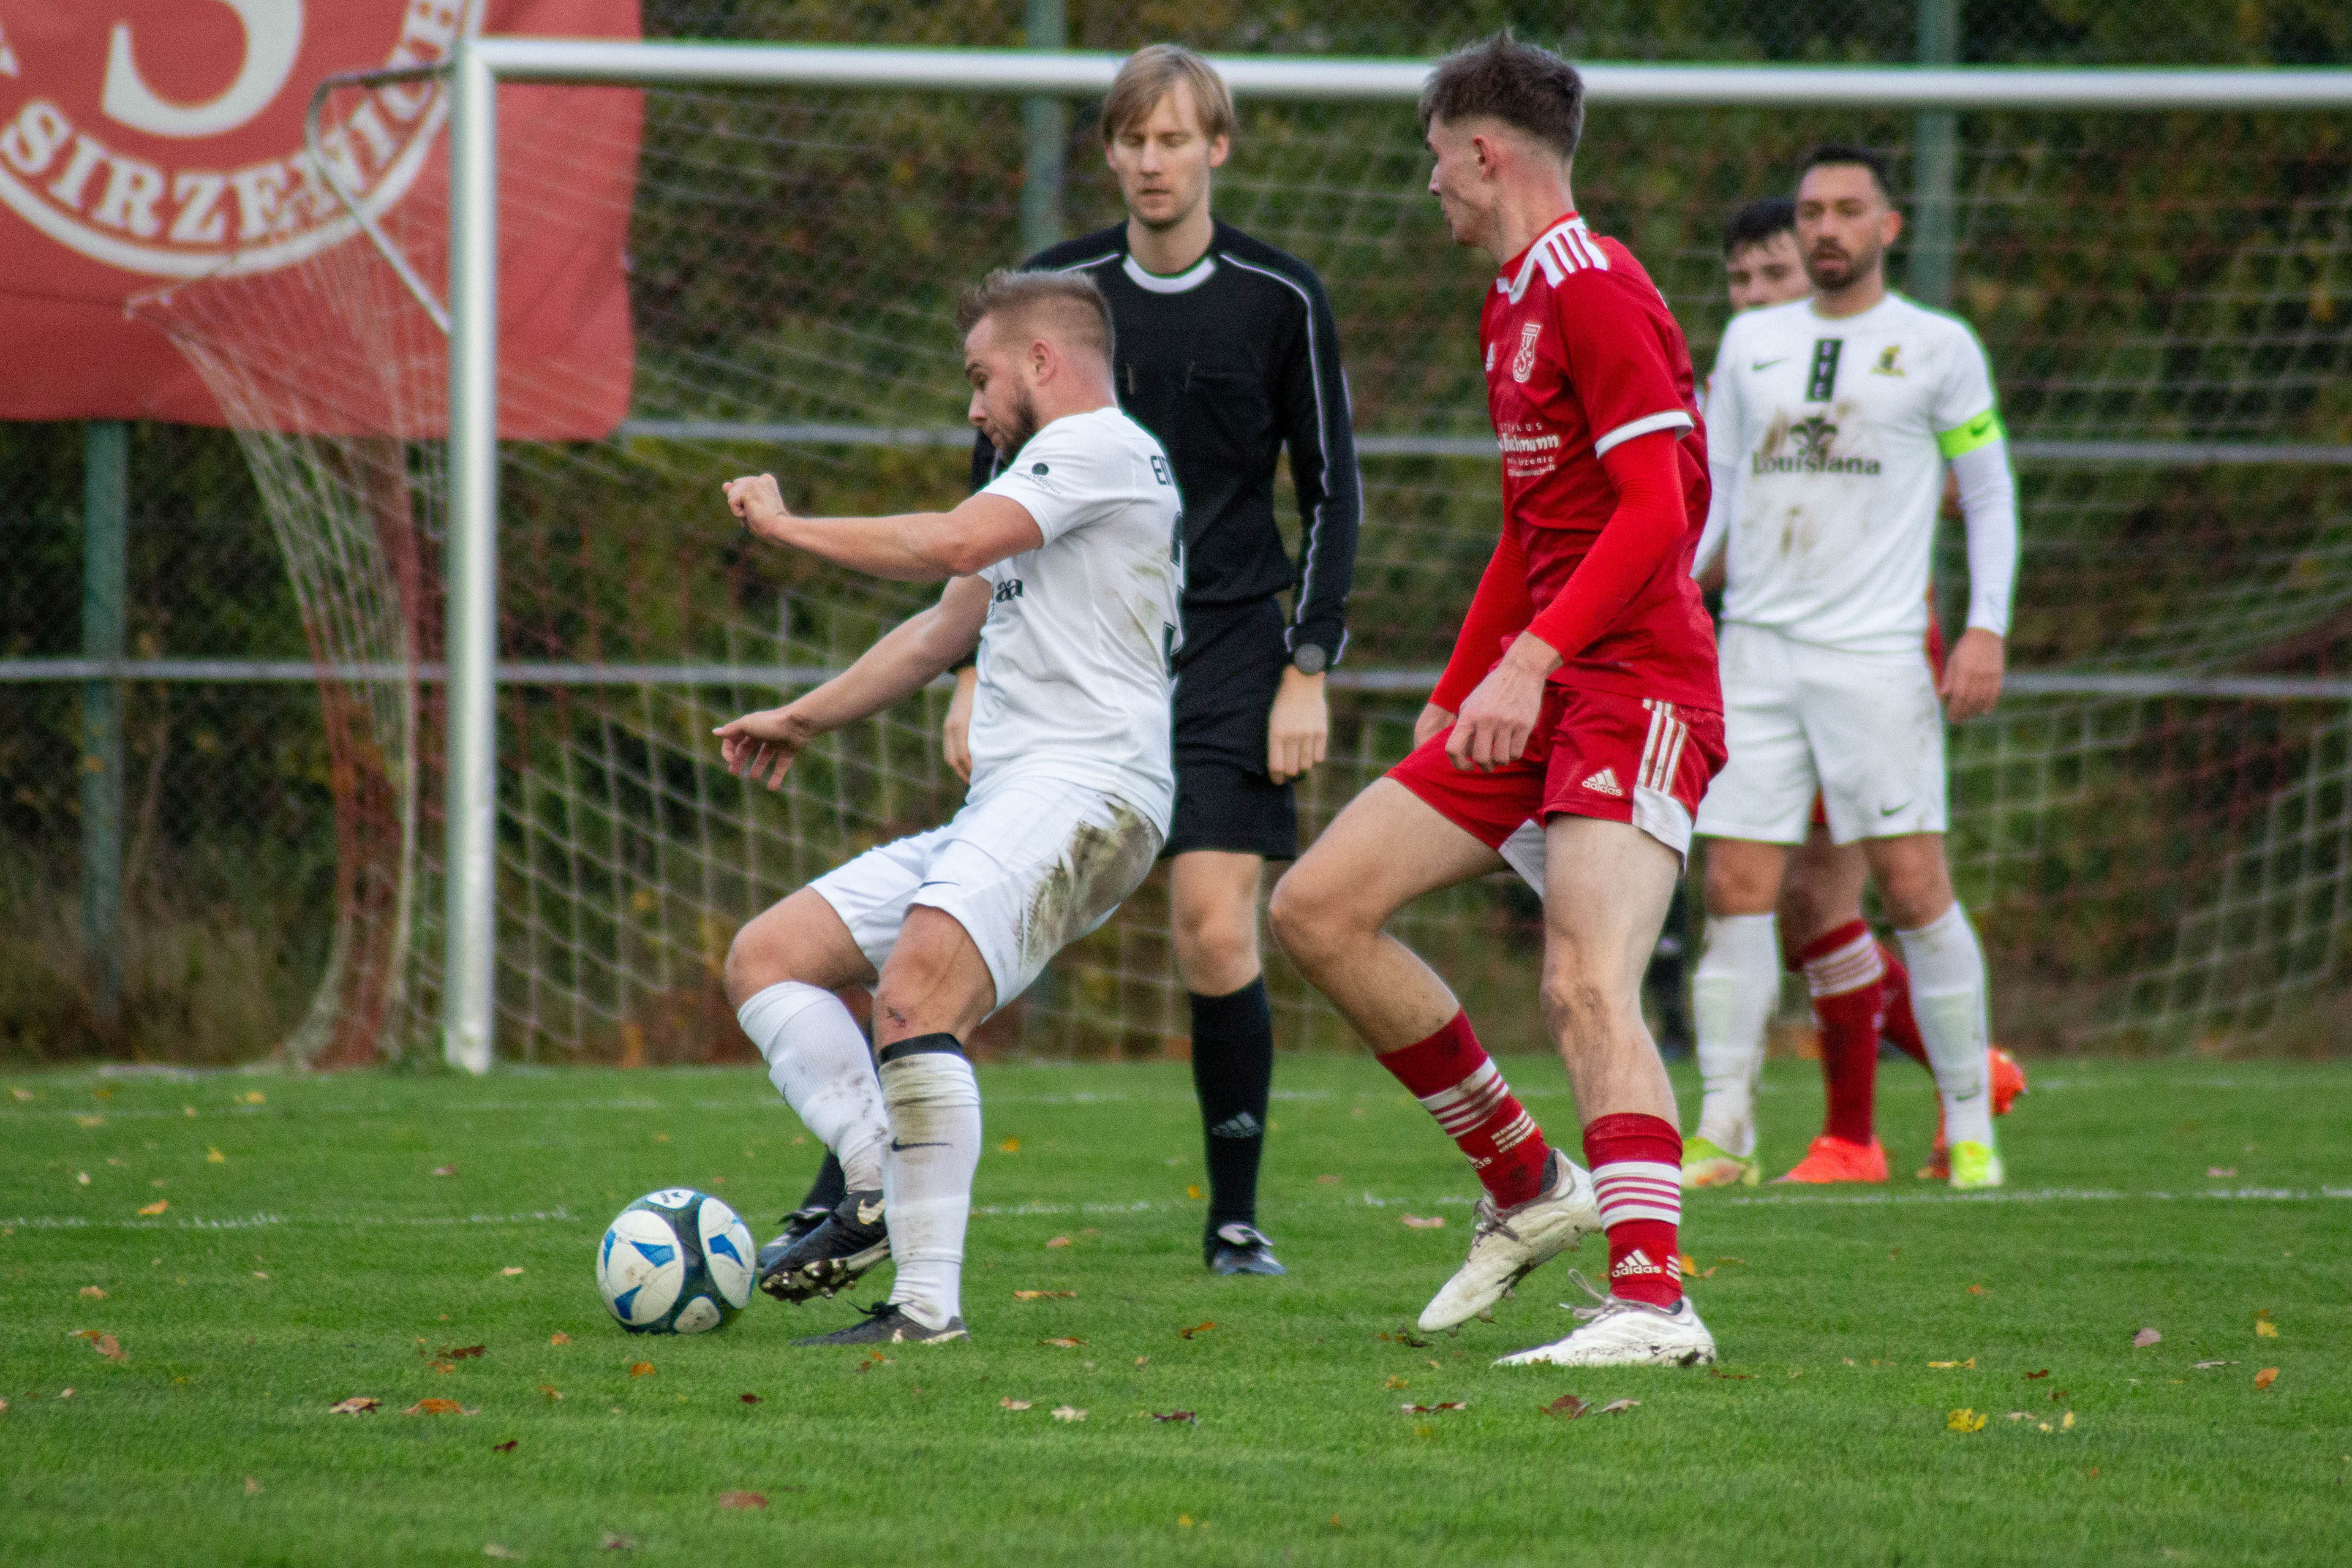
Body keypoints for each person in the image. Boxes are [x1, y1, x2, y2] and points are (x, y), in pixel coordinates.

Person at [1270, 34, 1722, 1369]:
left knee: (1587, 982)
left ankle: (1654, 1304)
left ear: (1484, 151)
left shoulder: (1596, 288)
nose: (1431, 193)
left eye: (1435, 164)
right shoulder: (1510, 303)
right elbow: (1534, 531)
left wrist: (1534, 662)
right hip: (1540, 684)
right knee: (1318, 906)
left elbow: (1663, 511)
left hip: (1633, 685)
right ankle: (1528, 1184)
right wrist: (1462, 684)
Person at [940, 44, 1360, 1276]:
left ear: (1217, 147)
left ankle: (1235, 1217)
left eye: (1176, 138)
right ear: (1110, 152)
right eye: (1132, 139)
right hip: (1071, 653)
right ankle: (857, 1187)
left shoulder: (1280, 296)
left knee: (1213, 924)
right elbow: (993, 480)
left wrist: (1310, 663)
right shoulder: (1060, 291)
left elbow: (1333, 489)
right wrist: (968, 665)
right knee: (979, 916)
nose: (1152, 160)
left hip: (1234, 644)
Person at [716, 268, 1182, 1344]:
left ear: (1040, 362)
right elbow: (941, 629)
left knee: (918, 986)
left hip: (1090, 785)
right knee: (768, 955)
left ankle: (924, 1311)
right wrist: (806, 717)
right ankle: (876, 1183)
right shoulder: (1050, 482)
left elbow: (952, 541)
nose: (973, 407)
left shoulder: (1098, 446)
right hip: (1021, 799)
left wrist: (788, 529)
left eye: (980, 378)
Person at [1686, 144, 2022, 1194]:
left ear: (1889, 226)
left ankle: (1970, 1129)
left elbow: (1992, 494)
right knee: (1736, 888)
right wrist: (1669, 604)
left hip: (1877, 658)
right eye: (1812, 210)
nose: (1826, 226)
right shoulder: (1751, 343)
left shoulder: (1937, 347)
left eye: (1847, 210)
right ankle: (1725, 1133)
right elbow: (1719, 500)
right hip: (1756, 650)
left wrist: (1987, 627)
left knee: (1917, 889)